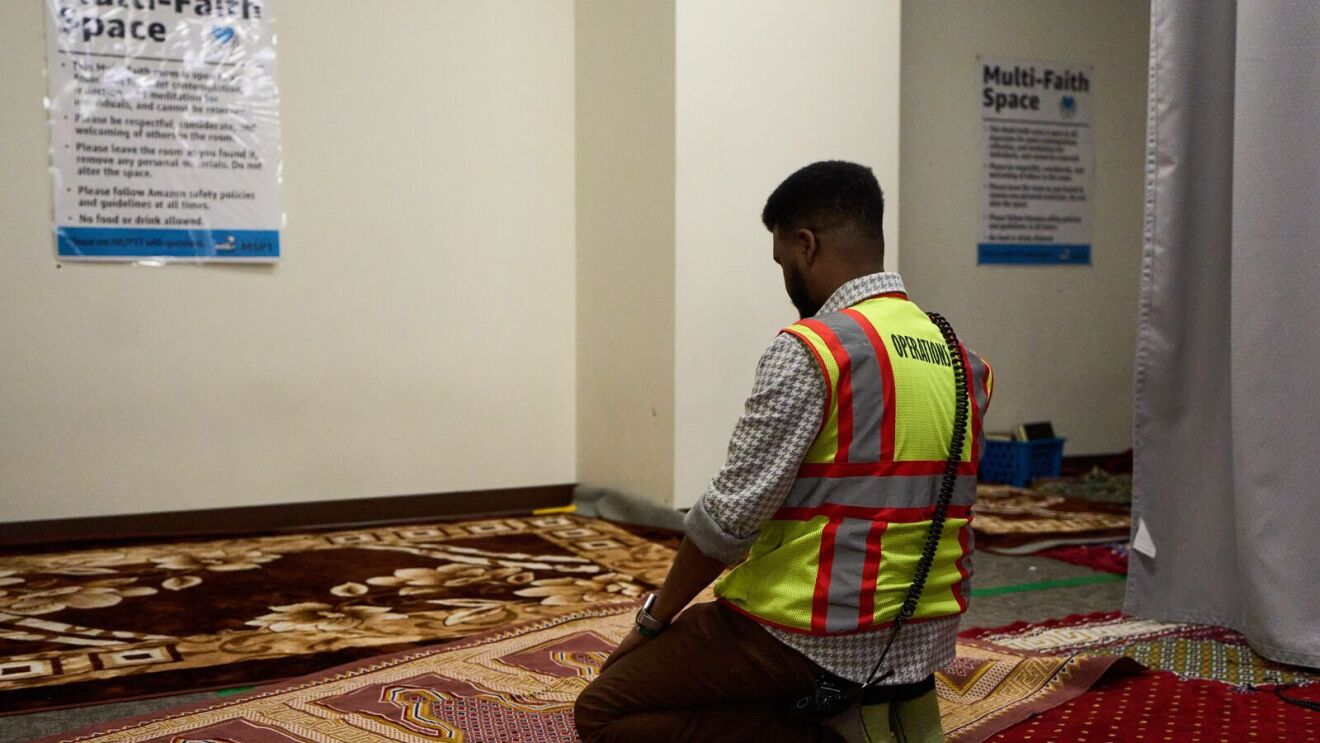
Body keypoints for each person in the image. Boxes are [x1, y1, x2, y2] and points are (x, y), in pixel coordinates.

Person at [574, 161, 993, 742]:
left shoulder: (815, 350)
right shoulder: (963, 359)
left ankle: (824, 730)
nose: (786, 279)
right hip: (922, 635)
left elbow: (728, 520)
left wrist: (652, 622)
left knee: (604, 711)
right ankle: (840, 710)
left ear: (806, 245)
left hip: (810, 629)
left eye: (782, 262)